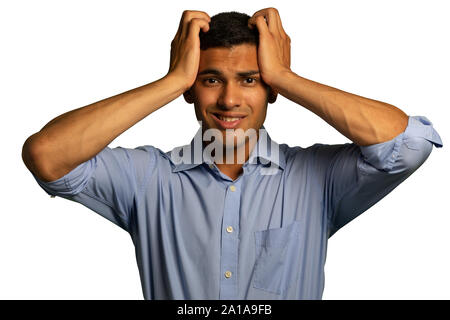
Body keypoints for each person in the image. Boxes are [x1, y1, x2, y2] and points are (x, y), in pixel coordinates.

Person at [22, 8, 442, 299]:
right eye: (209, 79)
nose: (228, 100)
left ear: (270, 90)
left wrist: (284, 76)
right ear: (191, 87)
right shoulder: (149, 179)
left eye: (248, 80)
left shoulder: (317, 178)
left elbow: (407, 144)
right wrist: (172, 81)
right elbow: (46, 155)